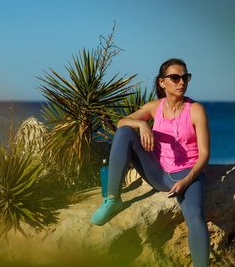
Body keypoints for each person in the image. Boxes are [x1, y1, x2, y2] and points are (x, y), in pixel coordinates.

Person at [90, 58, 210, 266]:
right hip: (158, 172)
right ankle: (112, 200)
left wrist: (188, 180)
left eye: (185, 77)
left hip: (187, 173)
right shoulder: (155, 107)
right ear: (163, 82)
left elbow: (205, 153)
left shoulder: (195, 110)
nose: (181, 82)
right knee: (125, 131)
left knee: (196, 215)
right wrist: (141, 124)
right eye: (175, 77)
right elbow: (121, 123)